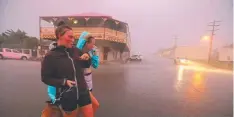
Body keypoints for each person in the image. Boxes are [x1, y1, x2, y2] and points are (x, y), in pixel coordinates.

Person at [41, 22, 94, 117]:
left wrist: (87, 57)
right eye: (70, 37)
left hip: (83, 91)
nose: (73, 40)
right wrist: (64, 82)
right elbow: (45, 78)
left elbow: (85, 64)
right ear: (59, 36)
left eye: (73, 37)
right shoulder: (50, 56)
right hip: (68, 94)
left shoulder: (76, 51)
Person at [76, 31, 100, 114]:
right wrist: (80, 57)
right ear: (86, 43)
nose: (93, 46)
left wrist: (95, 55)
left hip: (89, 83)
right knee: (94, 105)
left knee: (86, 107)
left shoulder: (91, 52)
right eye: (92, 44)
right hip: (81, 84)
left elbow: (96, 65)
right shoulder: (76, 52)